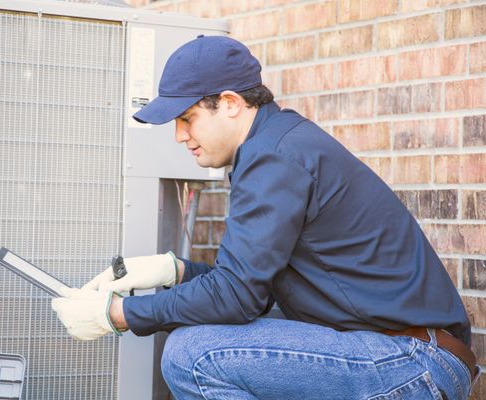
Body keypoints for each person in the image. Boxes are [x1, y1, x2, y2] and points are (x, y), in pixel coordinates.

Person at [52, 35, 480, 399]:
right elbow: (250, 290)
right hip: (397, 351)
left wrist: (118, 315)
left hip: (414, 363)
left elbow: (235, 297)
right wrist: (174, 270)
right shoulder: (275, 145)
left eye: (187, 119)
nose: (181, 136)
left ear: (231, 103)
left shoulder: (273, 158)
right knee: (207, 338)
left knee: (192, 354)